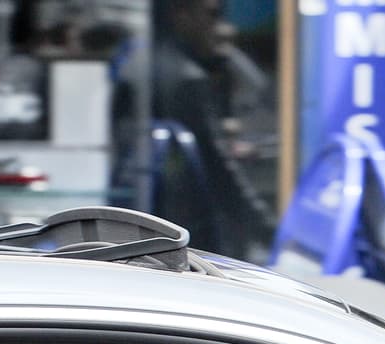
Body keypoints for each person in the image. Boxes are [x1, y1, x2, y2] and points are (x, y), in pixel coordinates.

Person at [111, 0, 276, 259]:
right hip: (185, 226)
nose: (221, 27)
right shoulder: (187, 77)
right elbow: (219, 167)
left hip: (138, 220)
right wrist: (266, 227)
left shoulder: (136, 62)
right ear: (181, 14)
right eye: (211, 15)